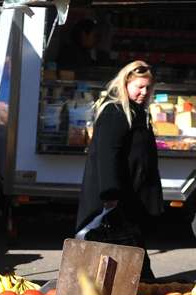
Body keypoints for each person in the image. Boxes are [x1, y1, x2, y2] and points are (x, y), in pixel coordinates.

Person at [76, 62, 161, 278]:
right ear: (125, 84)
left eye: (148, 87)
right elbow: (108, 155)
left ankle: (134, 288)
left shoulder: (137, 111)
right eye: (139, 87)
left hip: (131, 195)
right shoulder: (115, 112)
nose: (144, 92)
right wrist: (111, 195)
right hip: (119, 197)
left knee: (130, 245)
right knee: (119, 244)